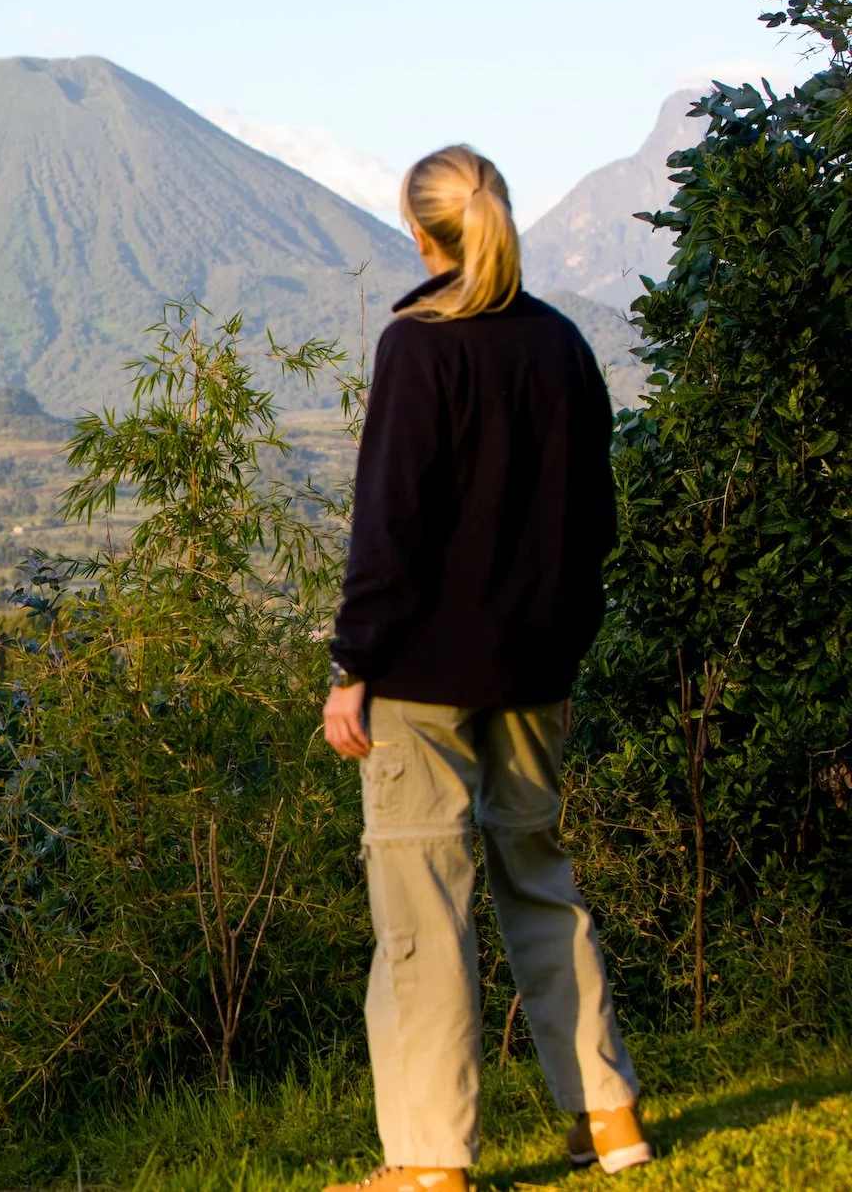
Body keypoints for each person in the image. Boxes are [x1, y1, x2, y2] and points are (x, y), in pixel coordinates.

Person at [318, 146, 648, 1192]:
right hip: (535, 671)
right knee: (541, 883)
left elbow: (390, 526)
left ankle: (426, 1164)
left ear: (419, 233)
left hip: (421, 677)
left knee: (422, 913)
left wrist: (350, 663)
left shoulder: (416, 346)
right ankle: (609, 1120)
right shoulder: (560, 345)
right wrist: (563, 637)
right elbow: (596, 518)